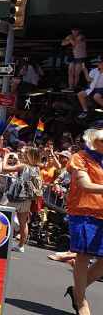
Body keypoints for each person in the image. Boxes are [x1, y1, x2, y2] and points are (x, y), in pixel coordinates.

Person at [64, 128, 103, 315]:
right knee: (83, 256)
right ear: (92, 140)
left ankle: (76, 291)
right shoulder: (79, 157)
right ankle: (81, 302)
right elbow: (85, 184)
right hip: (84, 212)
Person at [1, 146, 42, 253]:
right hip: (27, 198)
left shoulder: (23, 166)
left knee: (6, 218)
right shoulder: (37, 168)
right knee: (23, 223)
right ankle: (21, 246)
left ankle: (2, 242)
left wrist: (6, 157)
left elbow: (4, 169)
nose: (23, 154)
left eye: (26, 153)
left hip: (16, 197)